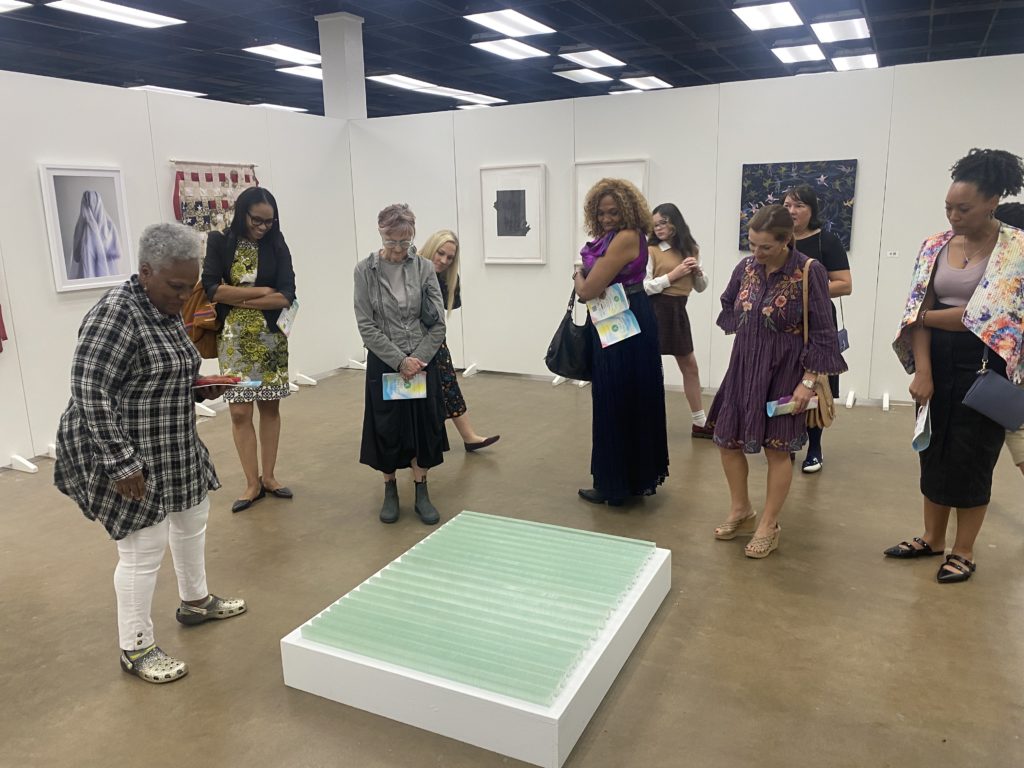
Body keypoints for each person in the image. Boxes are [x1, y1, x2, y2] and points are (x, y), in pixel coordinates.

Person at [54, 223, 246, 684]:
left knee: (192, 516)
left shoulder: (162, 306)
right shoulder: (116, 314)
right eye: (176, 286)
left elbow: (163, 371)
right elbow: (89, 392)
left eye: (190, 286)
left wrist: (200, 387)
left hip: (171, 438)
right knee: (143, 547)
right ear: (145, 272)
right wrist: (121, 462)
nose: (184, 297)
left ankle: (195, 601)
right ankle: (135, 647)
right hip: (123, 446)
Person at [887, 148, 1024, 583]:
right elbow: (917, 310)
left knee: (973, 456)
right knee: (931, 448)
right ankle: (932, 538)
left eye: (963, 208)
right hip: (936, 359)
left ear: (992, 201)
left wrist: (929, 316)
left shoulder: (1016, 249)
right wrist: (922, 371)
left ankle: (963, 550)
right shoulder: (934, 246)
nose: (953, 216)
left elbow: (987, 319)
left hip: (987, 365)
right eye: (948, 206)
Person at [707, 205, 846, 558]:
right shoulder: (746, 267)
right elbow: (729, 304)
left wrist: (809, 381)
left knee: (777, 449)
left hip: (787, 371)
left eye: (765, 247)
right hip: (744, 366)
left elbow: (823, 330)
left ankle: (769, 523)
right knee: (727, 440)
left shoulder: (808, 271)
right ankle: (741, 509)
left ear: (788, 240)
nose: (757, 253)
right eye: (752, 244)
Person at [573, 178, 669, 506]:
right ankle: (628, 479)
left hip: (623, 320)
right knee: (626, 399)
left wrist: (577, 274)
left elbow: (587, 291)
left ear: (628, 211)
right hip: (618, 317)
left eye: (613, 212)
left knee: (617, 399)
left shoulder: (626, 238)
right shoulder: (611, 239)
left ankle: (615, 485)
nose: (607, 218)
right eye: (601, 213)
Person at [202, 187, 297, 513]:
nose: (263, 226)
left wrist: (239, 295)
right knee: (240, 411)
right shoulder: (219, 242)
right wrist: (261, 292)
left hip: (270, 339)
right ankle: (251, 482)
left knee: (269, 408)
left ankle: (269, 477)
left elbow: (286, 295)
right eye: (257, 219)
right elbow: (211, 288)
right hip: (234, 339)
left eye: (269, 221)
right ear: (242, 213)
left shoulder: (277, 243)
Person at [354, 204, 448, 525]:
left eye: (405, 242)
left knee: (422, 424)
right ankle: (390, 488)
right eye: (392, 241)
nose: (398, 249)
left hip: (421, 359)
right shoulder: (364, 271)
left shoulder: (423, 268)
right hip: (386, 362)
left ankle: (422, 489)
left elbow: (438, 322)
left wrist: (418, 358)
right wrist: (399, 360)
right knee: (388, 427)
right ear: (380, 233)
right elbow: (366, 325)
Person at [783, 185, 853, 474]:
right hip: (785, 324)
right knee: (785, 381)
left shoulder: (827, 241)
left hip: (818, 322)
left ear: (811, 210)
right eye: (787, 205)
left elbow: (845, 284)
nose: (791, 211)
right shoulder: (781, 240)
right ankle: (786, 442)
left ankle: (814, 447)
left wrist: (806, 289)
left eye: (798, 206)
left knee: (815, 382)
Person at [419, 229, 499, 451]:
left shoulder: (446, 278)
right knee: (413, 393)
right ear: (431, 249)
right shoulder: (411, 270)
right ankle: (415, 443)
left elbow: (448, 306)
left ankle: (469, 436)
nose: (444, 260)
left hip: (434, 342)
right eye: (440, 253)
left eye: (450, 257)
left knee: (448, 385)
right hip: (409, 343)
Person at [644, 203, 711, 438]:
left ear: (675, 222)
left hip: (678, 310)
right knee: (649, 368)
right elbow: (643, 287)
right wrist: (673, 275)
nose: (659, 228)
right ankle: (646, 421)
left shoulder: (690, 248)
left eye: (663, 222)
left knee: (689, 365)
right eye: (655, 224)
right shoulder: (650, 249)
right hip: (654, 309)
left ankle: (700, 421)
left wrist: (697, 273)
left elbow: (701, 288)